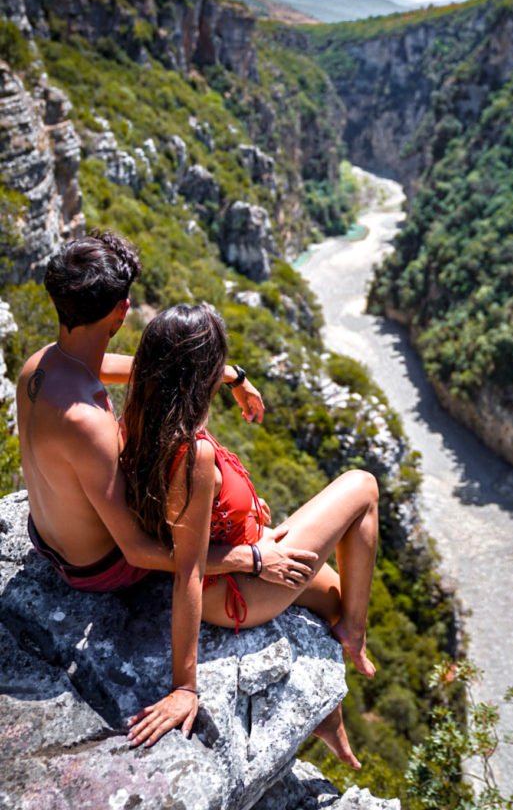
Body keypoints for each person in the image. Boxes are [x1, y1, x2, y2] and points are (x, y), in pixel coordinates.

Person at [121, 303, 378, 767]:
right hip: (233, 589)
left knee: (335, 596)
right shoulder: (194, 453)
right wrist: (184, 686)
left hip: (243, 550)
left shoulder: (145, 406)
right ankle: (355, 636)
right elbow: (188, 572)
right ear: (198, 375)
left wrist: (237, 379)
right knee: (362, 486)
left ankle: (327, 716)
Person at [16, 230, 272, 589]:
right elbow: (137, 551)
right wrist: (252, 558)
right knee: (195, 448)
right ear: (121, 312)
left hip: (46, 538)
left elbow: (150, 366)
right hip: (100, 567)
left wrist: (230, 376)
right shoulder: (87, 423)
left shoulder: (39, 365)